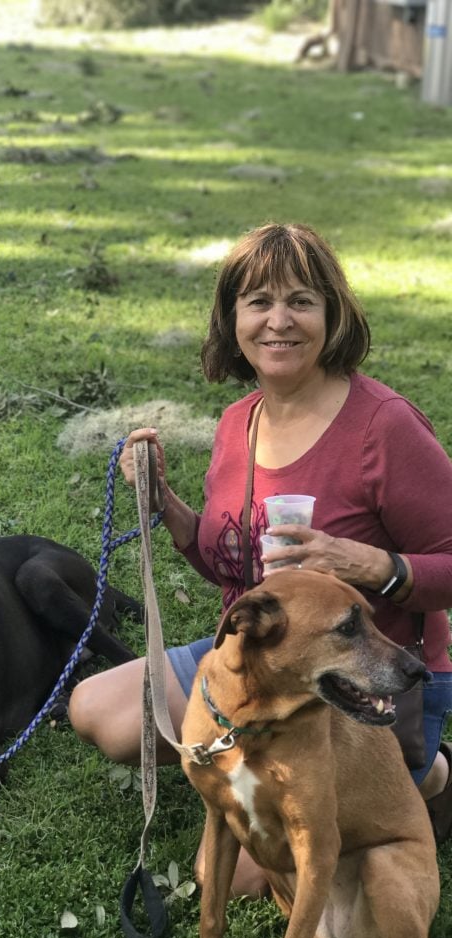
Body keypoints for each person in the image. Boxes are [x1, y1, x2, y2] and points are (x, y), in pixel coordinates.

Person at [68, 223, 452, 896]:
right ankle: (249, 761)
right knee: (98, 709)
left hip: (361, 679)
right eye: (258, 302)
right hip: (262, 666)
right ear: (232, 319)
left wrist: (371, 564)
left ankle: (431, 779)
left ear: (332, 314)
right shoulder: (238, 422)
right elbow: (234, 570)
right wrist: (167, 508)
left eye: (301, 300)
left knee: (252, 873)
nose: (279, 321)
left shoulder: (383, 426)